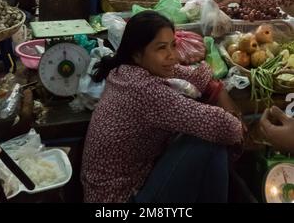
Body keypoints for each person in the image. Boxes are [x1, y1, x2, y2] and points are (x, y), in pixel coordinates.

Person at [81, 11, 243, 203]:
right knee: (209, 141)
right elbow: (225, 127)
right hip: (121, 199)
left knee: (207, 134)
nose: (173, 56)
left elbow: (191, 74)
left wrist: (217, 89)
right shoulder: (145, 90)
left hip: (127, 183)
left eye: (173, 45)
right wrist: (237, 123)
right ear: (137, 54)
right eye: (161, 48)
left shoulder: (125, 70)